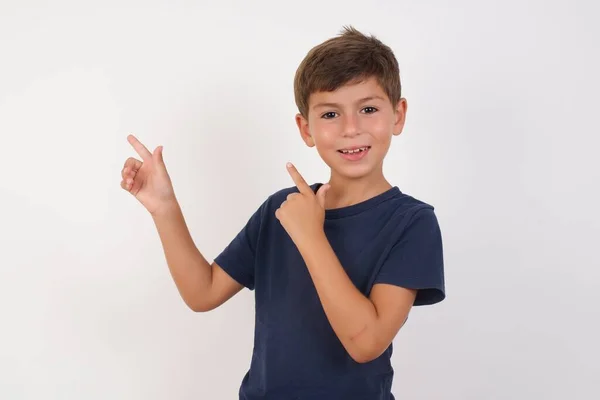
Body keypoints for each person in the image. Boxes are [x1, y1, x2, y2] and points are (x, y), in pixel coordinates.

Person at [120, 25, 445, 400]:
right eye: (330, 114)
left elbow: (366, 342)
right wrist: (164, 208)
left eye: (368, 109)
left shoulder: (412, 223)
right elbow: (202, 292)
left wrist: (311, 236)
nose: (351, 129)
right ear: (305, 128)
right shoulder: (281, 209)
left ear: (398, 115)